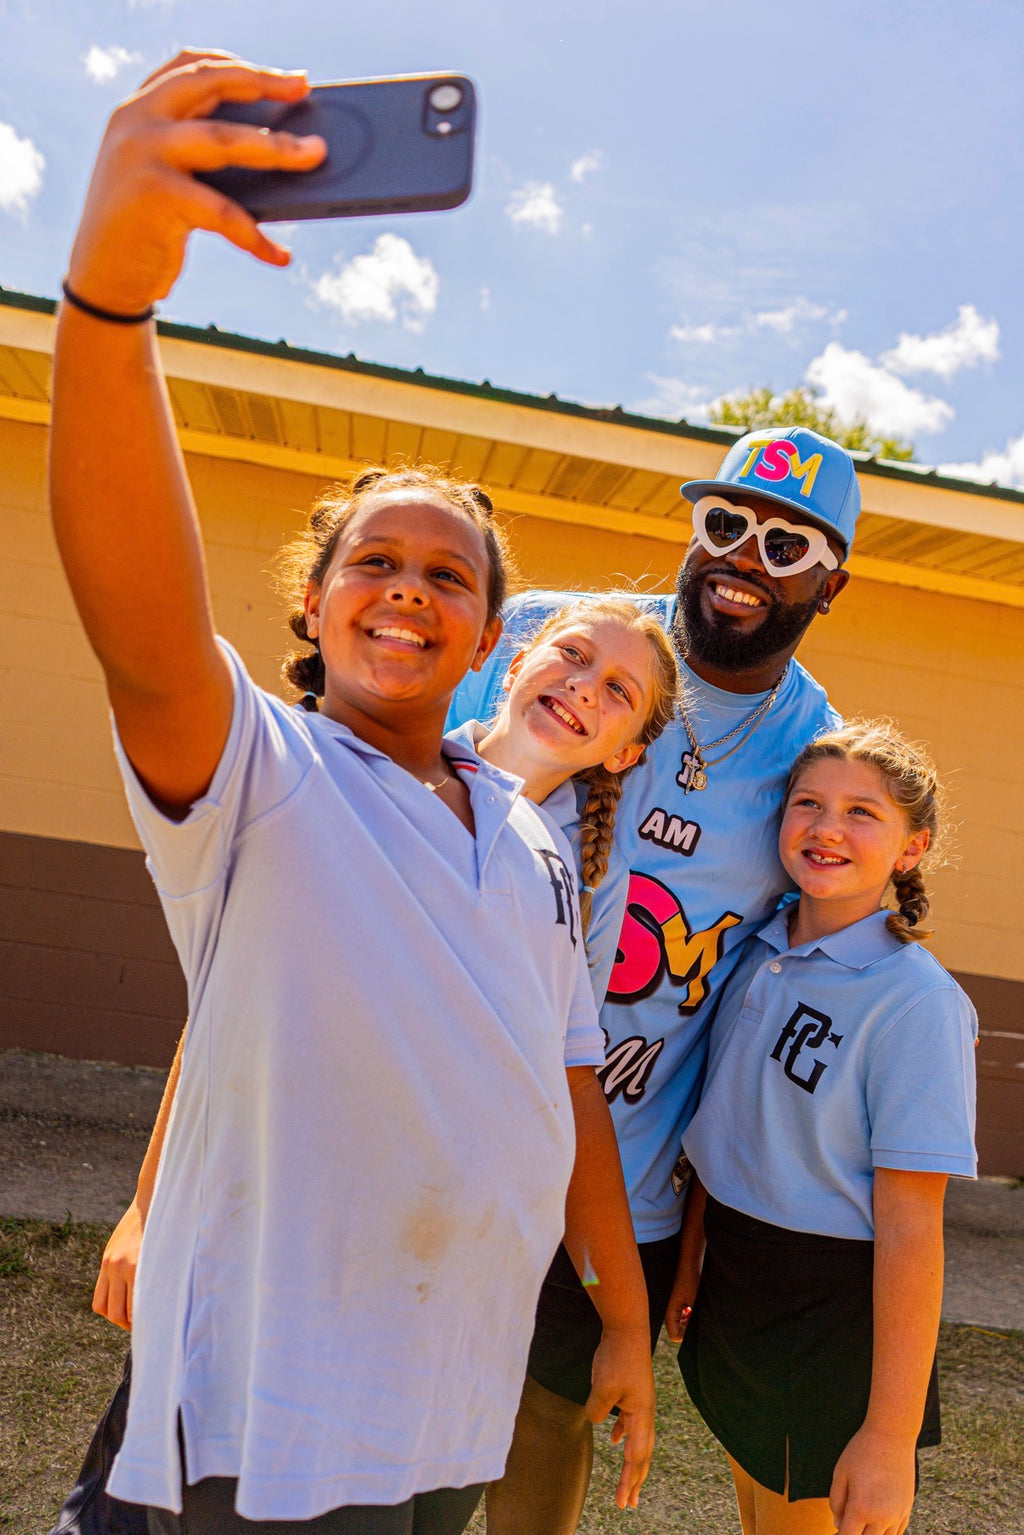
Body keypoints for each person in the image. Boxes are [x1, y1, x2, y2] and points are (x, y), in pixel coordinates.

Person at [49, 53, 662, 1535]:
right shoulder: (261, 770)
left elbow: (563, 1096)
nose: (408, 588)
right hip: (263, 1416)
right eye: (373, 562)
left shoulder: (530, 847)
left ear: (480, 630)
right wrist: (109, 307)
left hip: (446, 1401)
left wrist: (626, 1322)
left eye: (448, 572)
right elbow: (140, 625)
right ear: (314, 606)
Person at [60, 596, 678, 1535]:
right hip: (270, 1254)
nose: (584, 687)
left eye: (618, 689)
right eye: (573, 655)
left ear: (626, 749)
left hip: (440, 1309)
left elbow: (569, 1088)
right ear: (510, 660)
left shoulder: (575, 877)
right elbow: (230, 1004)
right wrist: (149, 1205)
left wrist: (623, 1319)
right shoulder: (352, 763)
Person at [449, 424, 862, 1534]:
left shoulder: (819, 752)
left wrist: (706, 1215)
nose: (743, 557)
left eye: (786, 544)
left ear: (830, 581)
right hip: (446, 1111)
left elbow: (774, 990)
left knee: (547, 1422)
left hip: (622, 1161)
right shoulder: (561, 643)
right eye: (724, 523)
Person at [666, 721, 977, 1535]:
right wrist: (695, 1253)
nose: (827, 826)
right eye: (808, 802)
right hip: (737, 1276)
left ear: (912, 848)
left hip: (828, 1308)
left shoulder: (915, 1001)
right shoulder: (753, 949)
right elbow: (723, 1130)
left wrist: (888, 1436)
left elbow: (912, 1226)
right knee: (757, 1505)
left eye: (862, 812)